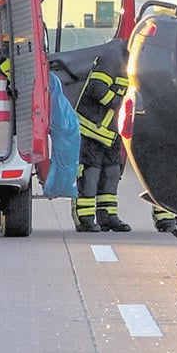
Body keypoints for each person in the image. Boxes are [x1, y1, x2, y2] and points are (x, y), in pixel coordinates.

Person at [71, 42, 131, 232]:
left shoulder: (137, 61)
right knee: (91, 173)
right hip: (90, 129)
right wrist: (119, 104)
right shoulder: (113, 57)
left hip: (112, 133)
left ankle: (108, 217)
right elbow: (96, 88)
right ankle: (85, 218)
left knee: (112, 173)